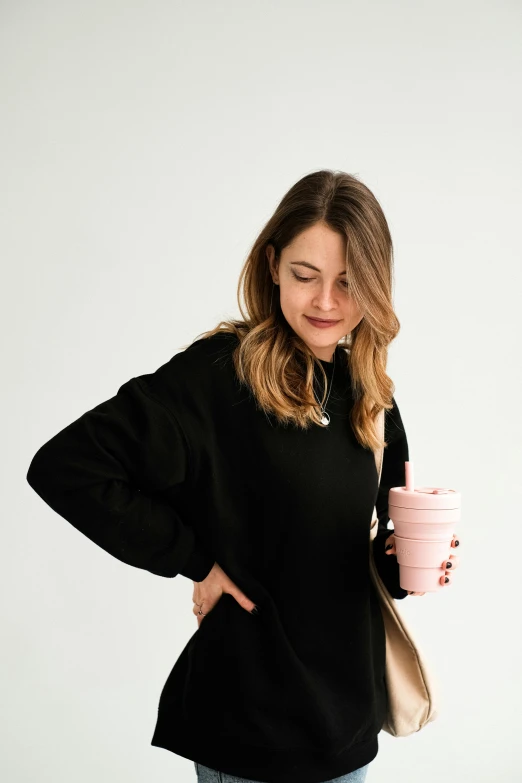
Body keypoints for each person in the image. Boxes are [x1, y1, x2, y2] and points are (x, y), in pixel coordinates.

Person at [26, 169, 459, 783]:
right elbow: (67, 467)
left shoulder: (370, 392)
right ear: (273, 265)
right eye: (305, 276)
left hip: (348, 731)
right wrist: (196, 559)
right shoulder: (218, 377)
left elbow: (370, 565)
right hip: (252, 731)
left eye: (349, 282)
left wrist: (410, 561)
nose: (326, 302)